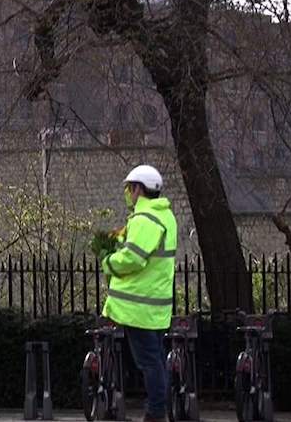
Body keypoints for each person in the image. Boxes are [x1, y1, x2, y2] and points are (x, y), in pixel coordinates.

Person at [101, 164, 178, 422]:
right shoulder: (165, 216)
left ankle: (156, 413)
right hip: (155, 305)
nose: (128, 193)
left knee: (150, 363)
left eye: (130, 188)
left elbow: (134, 258)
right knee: (154, 359)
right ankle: (157, 410)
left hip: (139, 308)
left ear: (139, 189)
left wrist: (109, 261)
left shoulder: (146, 219)